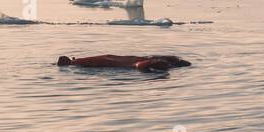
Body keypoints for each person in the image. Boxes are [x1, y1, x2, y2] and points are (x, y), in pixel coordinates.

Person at [56, 53, 190, 73]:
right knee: (135, 64)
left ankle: (164, 63)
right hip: (131, 63)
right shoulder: (78, 63)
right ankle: (165, 63)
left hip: (131, 63)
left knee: (134, 64)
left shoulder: (78, 63)